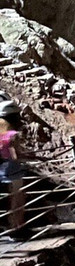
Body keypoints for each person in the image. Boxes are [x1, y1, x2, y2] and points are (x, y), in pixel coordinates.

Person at [0, 99, 26, 237]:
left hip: (2, 171)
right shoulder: (12, 135)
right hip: (13, 171)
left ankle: (9, 229)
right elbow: (15, 155)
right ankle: (17, 230)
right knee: (17, 201)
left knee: (7, 201)